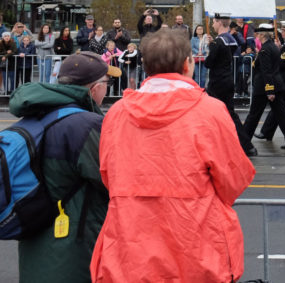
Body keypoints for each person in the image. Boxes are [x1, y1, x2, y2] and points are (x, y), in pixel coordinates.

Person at [90, 30, 255, 282]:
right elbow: (233, 179)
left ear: (145, 66)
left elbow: (108, 174)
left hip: (129, 244)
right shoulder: (210, 110)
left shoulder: (117, 113)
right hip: (196, 244)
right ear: (187, 64)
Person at [11, 52, 117, 282]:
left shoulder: (37, 115)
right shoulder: (87, 126)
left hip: (35, 245)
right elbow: (115, 181)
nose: (107, 89)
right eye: (107, 83)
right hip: (74, 250)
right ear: (94, 88)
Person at [204, 14, 257, 157]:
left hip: (217, 83)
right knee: (230, 115)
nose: (213, 25)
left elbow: (208, 63)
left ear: (220, 23)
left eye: (214, 22)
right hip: (227, 80)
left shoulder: (217, 42)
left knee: (212, 115)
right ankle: (246, 145)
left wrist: (210, 48)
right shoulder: (231, 40)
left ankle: (214, 145)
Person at [242, 23, 285, 149]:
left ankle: (243, 142)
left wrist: (269, 90)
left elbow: (266, 71)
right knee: (282, 114)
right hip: (276, 85)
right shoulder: (272, 47)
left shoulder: (264, 50)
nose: (256, 36)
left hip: (265, 87)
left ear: (262, 35)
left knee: (253, 115)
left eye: (257, 34)